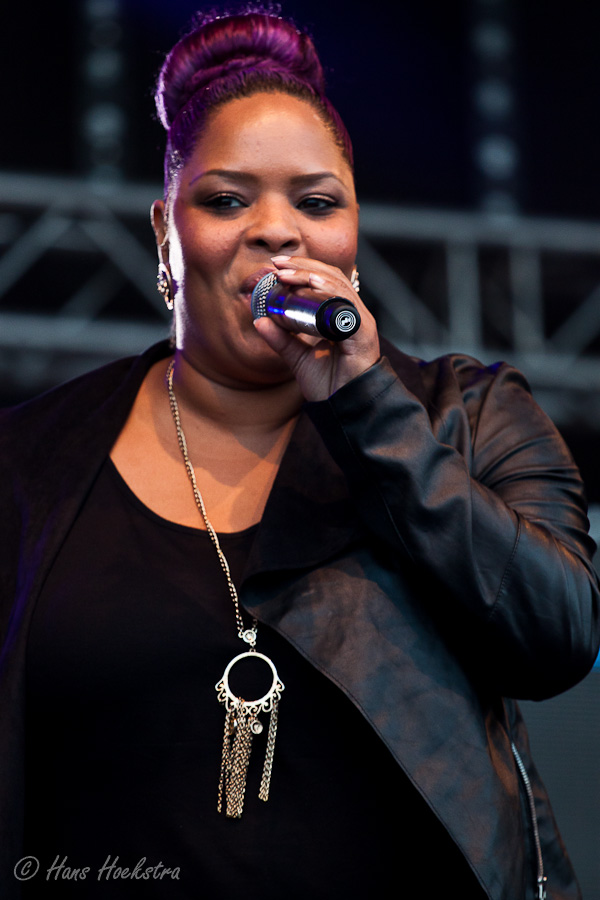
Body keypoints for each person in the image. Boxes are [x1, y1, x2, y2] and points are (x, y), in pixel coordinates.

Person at [1, 6, 598, 899]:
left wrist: (367, 407)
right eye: (227, 200)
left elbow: (557, 639)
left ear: (351, 237)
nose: (276, 231)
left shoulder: (469, 415)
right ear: (166, 234)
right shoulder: (28, 463)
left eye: (316, 203)